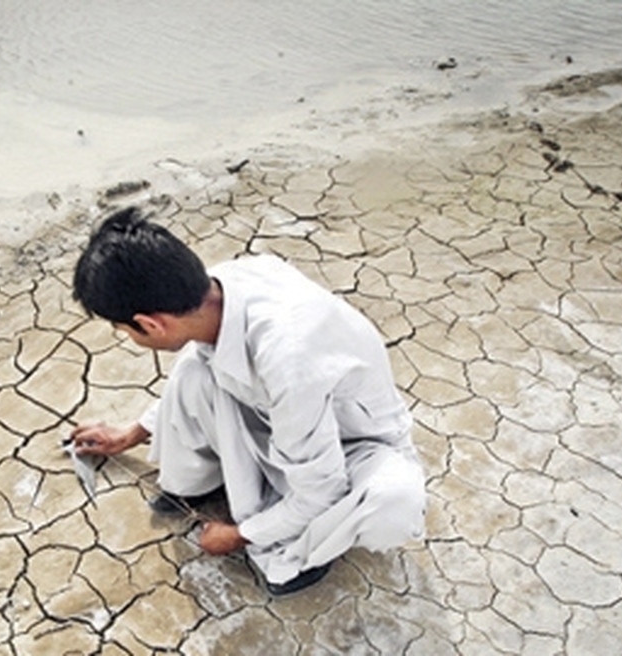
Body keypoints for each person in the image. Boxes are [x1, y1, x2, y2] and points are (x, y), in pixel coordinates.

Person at [69, 205, 426, 595]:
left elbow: (321, 489)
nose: (130, 338)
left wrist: (239, 535)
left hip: (354, 445)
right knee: (195, 371)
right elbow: (200, 360)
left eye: (125, 331)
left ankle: (303, 550)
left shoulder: (288, 358)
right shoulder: (218, 289)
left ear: (151, 324)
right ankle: (212, 483)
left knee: (391, 500)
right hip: (282, 420)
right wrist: (129, 435)